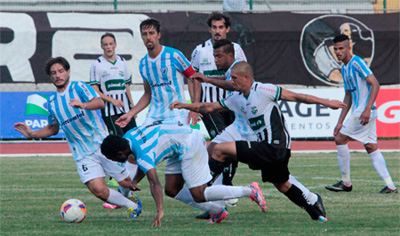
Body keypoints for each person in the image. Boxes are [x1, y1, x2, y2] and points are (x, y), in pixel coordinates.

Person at [170, 61, 348, 221]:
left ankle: (207, 186)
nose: (231, 82)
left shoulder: (264, 90)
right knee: (282, 184)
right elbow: (208, 107)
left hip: (276, 146)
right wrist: (185, 105)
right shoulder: (236, 98)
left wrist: (327, 102)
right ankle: (314, 206)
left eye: (234, 78)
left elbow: (298, 97)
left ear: (247, 78)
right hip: (265, 148)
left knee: (218, 149)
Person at [193, 39, 323, 219]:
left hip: (251, 129)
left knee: (221, 152)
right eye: (214, 56)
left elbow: (231, 85)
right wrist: (188, 105)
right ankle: (217, 203)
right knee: (215, 151)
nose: (215, 60)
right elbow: (218, 98)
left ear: (230, 56)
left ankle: (215, 196)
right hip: (240, 124)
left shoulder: (241, 71)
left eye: (218, 56)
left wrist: (207, 79)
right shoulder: (232, 75)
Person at [14, 57, 142, 220]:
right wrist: (32, 134)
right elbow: (53, 128)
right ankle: (132, 206)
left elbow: (99, 103)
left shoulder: (79, 87)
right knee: (99, 190)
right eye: (53, 73)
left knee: (125, 183)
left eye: (60, 71)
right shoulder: (52, 102)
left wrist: (84, 105)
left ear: (68, 72)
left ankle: (129, 197)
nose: (57, 75)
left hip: (102, 145)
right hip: (82, 153)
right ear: (50, 77)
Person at [100, 120, 266, 227]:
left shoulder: (142, 154)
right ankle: (217, 211)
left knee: (199, 194)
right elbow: (145, 164)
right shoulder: (129, 136)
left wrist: (160, 211)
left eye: (113, 158)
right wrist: (135, 180)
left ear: (121, 153)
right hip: (178, 143)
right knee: (172, 189)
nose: (114, 161)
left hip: (189, 144)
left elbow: (154, 182)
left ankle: (250, 190)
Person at [325, 34, 398, 194]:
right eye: (336, 49)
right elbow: (348, 95)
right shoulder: (344, 68)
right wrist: (340, 121)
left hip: (364, 111)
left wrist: (367, 108)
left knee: (339, 138)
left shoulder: (357, 62)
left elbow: (375, 84)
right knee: (371, 146)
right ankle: (391, 186)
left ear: (349, 48)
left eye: (341, 48)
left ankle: (346, 183)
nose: (338, 52)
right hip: (361, 110)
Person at [190, 13, 246, 214]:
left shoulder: (236, 50)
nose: (217, 31)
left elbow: (242, 76)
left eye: (221, 27)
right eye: (214, 27)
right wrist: (196, 106)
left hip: (232, 106)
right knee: (219, 147)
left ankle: (224, 191)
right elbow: (194, 79)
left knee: (232, 149)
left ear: (227, 29)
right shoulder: (199, 51)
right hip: (211, 108)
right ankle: (222, 195)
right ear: (209, 29)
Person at [115, 18, 198, 129]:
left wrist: (195, 107)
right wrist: (130, 114)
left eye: (151, 33)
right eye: (144, 34)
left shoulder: (174, 55)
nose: (148, 37)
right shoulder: (143, 63)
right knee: (139, 144)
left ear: (158, 35)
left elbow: (193, 77)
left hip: (177, 115)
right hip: (154, 117)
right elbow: (147, 94)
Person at [89, 32, 138, 192]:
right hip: (110, 112)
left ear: (115, 45)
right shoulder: (97, 65)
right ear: (102, 46)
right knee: (118, 145)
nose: (108, 47)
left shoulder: (123, 62)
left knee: (133, 142)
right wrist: (111, 100)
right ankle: (116, 178)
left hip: (125, 110)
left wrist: (132, 107)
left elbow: (126, 87)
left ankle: (130, 174)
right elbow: (95, 90)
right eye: (105, 44)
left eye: (111, 44)